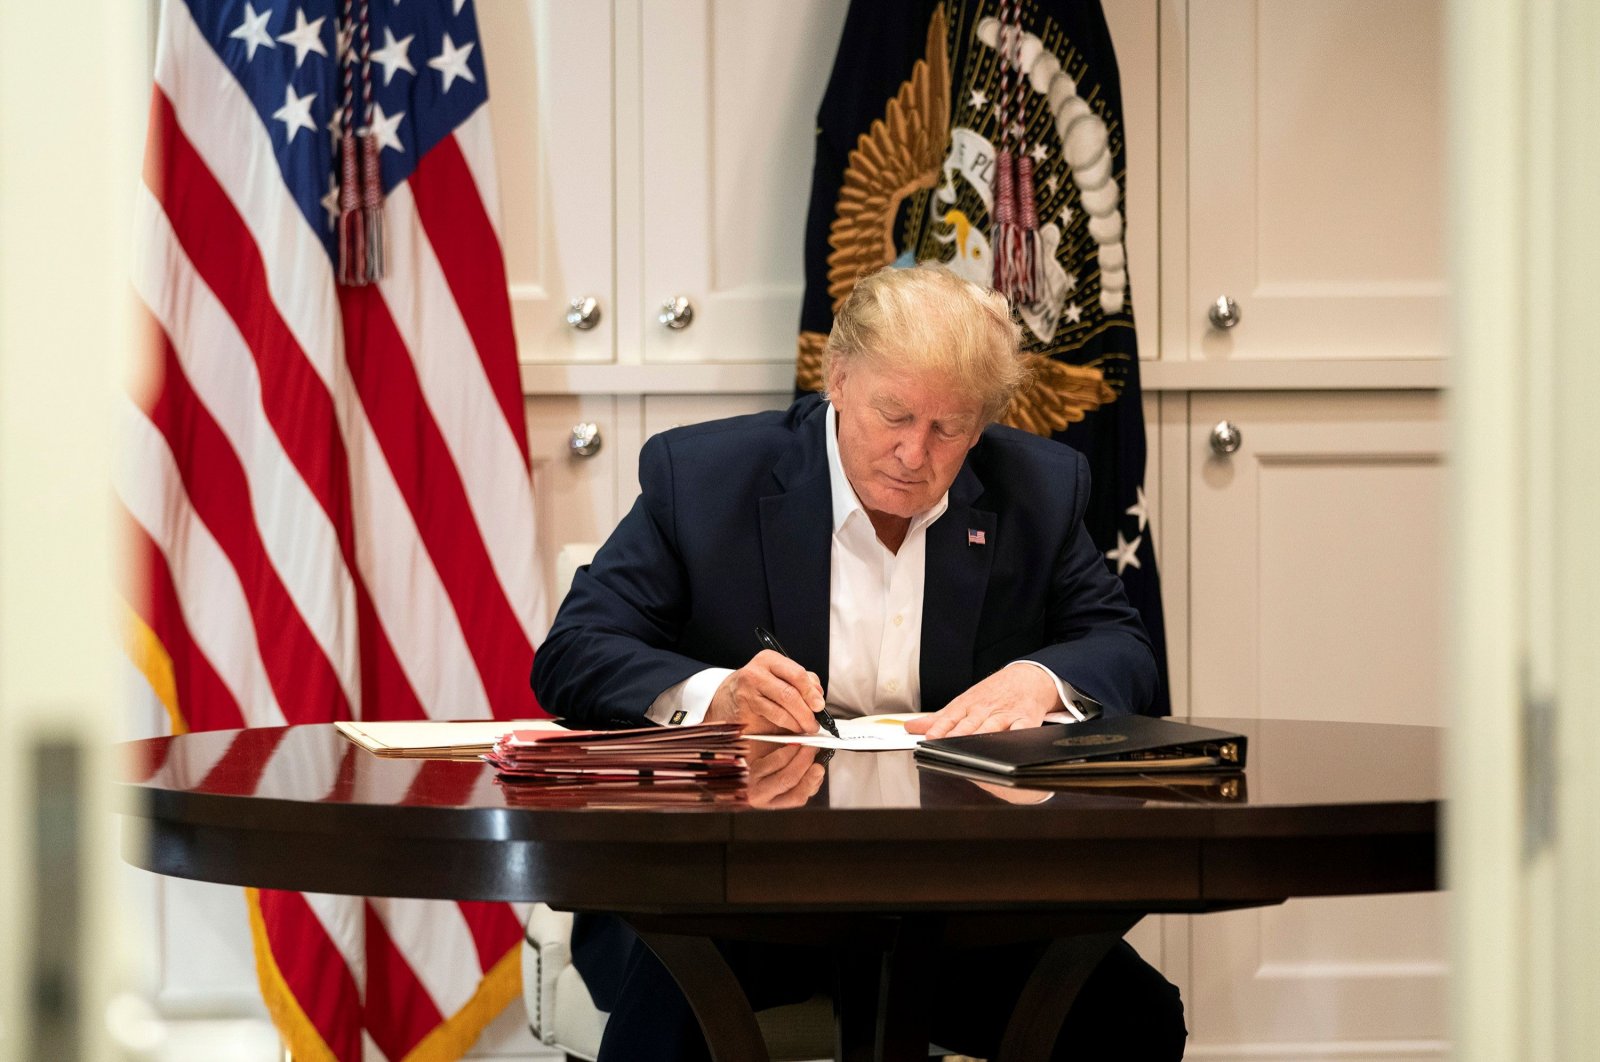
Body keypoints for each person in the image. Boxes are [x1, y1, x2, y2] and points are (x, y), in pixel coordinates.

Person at [531, 264, 1184, 1060]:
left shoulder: (1038, 491)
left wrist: (1041, 677)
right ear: (839, 379)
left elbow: (1122, 650)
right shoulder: (703, 479)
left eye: (949, 428)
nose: (916, 453)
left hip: (956, 902)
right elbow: (573, 653)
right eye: (895, 415)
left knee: (1132, 1016)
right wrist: (715, 694)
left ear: (981, 424)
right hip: (731, 894)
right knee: (670, 1012)